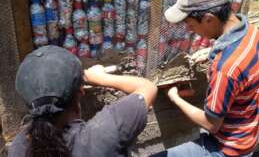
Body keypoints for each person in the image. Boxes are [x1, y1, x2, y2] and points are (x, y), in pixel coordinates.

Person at [152, 0, 259, 157]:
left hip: (228, 148)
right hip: (248, 134)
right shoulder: (252, 32)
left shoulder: (225, 68)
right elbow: (239, 60)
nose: (190, 30)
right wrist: (213, 51)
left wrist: (174, 97)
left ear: (208, 19)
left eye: (191, 25)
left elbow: (211, 124)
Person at [8, 45, 157, 157]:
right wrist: (101, 78)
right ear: (80, 91)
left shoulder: (17, 148)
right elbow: (147, 87)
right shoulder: (101, 135)